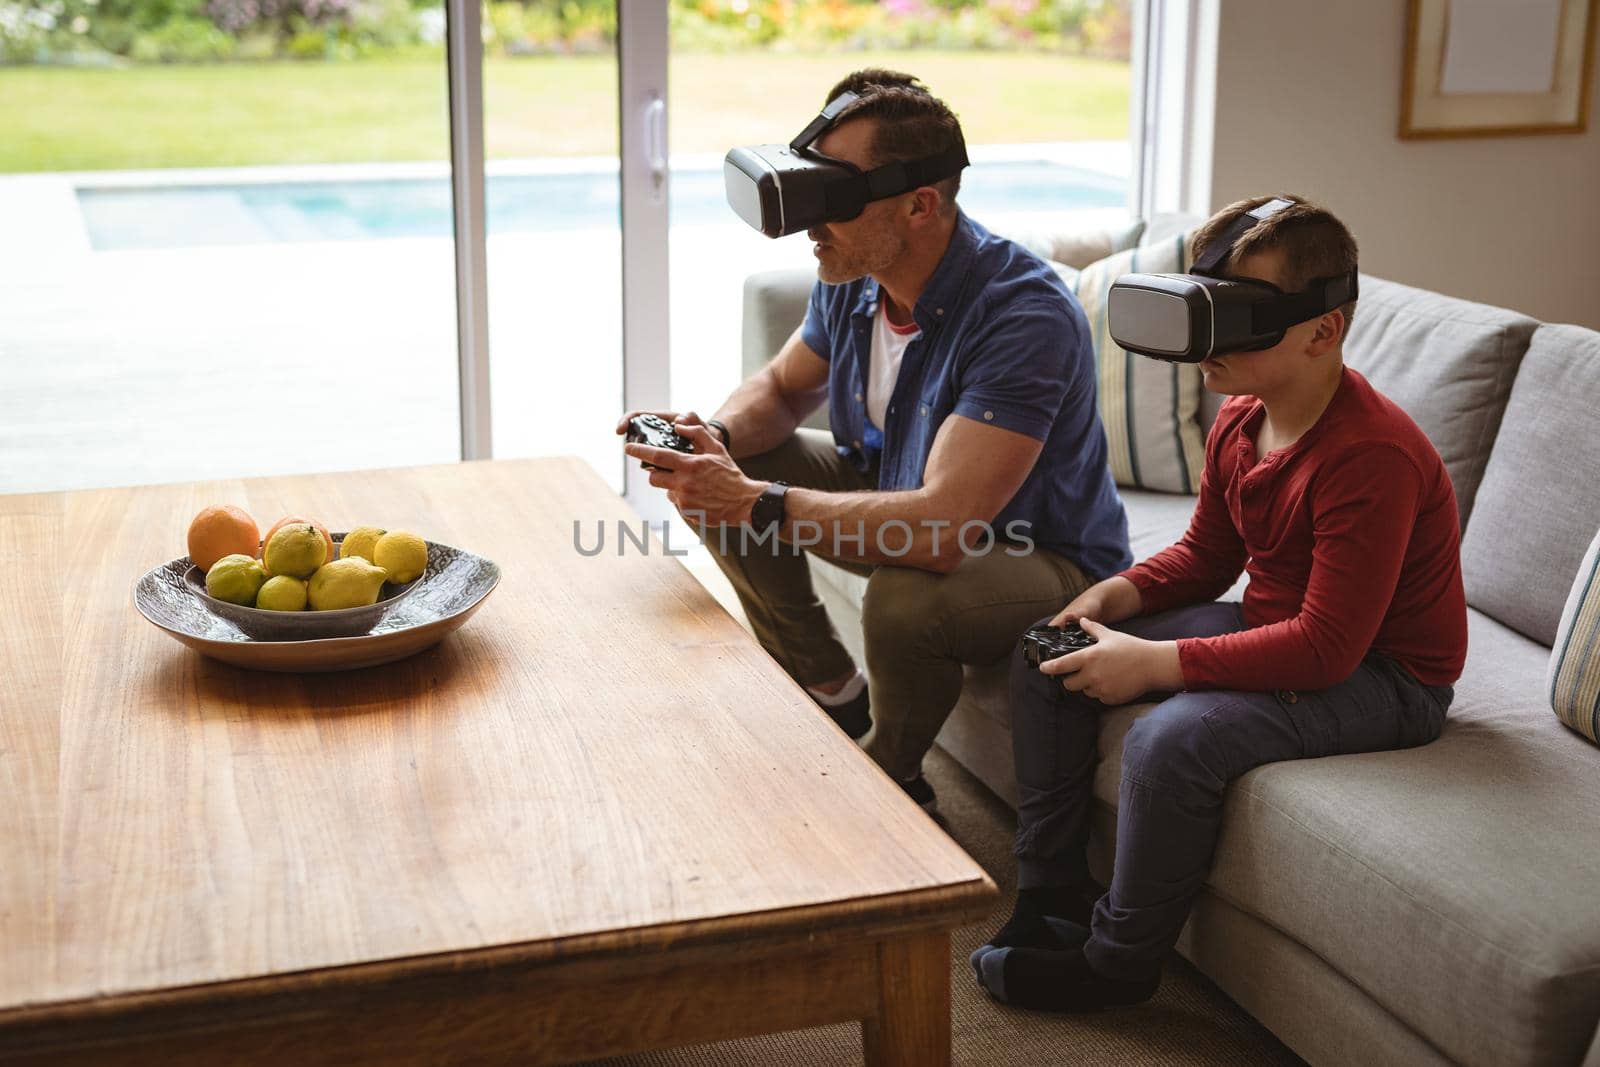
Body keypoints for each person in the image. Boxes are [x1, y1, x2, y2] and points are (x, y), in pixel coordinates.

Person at [971, 194, 1468, 1011]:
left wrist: (1156, 663)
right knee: (1053, 651)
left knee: (1173, 741)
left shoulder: (1369, 455)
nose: (1207, 341)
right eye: (1201, 307)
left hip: (1385, 676)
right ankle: (1050, 891)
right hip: (1286, 628)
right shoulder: (1240, 418)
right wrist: (1119, 594)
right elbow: (1209, 554)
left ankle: (1117, 962)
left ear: (1322, 329)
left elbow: (1327, 650)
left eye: (1235, 316)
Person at [618, 69, 1130, 811]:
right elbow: (785, 388)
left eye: (837, 198)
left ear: (921, 204)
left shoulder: (1022, 316)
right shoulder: (852, 272)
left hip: (1045, 555)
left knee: (905, 596)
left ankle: (893, 779)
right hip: (911, 494)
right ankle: (830, 690)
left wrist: (754, 500)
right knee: (721, 465)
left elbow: (945, 529)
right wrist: (716, 438)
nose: (812, 223)